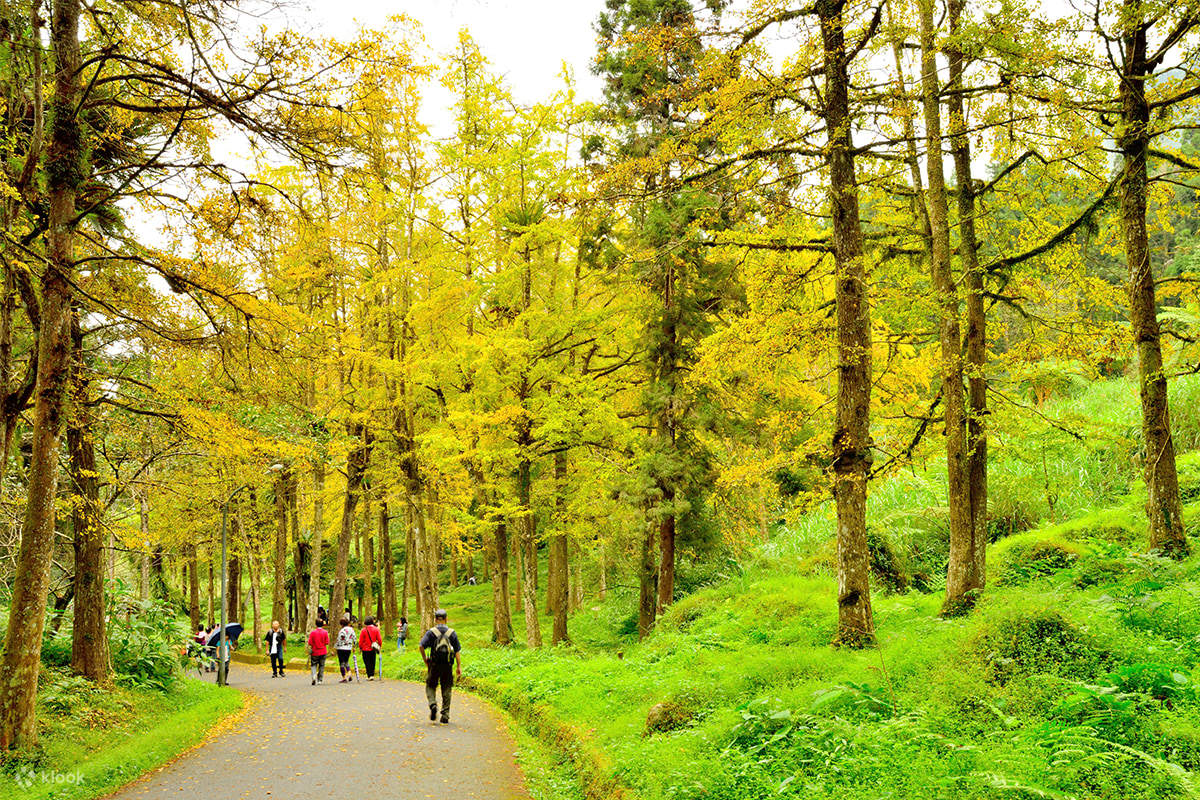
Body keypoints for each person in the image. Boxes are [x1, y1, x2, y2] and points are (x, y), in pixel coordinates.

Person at [419, 609, 461, 724]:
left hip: (434, 665)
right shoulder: (452, 633)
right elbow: (457, 651)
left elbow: (421, 646)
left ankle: (433, 704)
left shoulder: (431, 632)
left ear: (435, 619)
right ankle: (445, 715)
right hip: (448, 665)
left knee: (430, 685)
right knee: (447, 688)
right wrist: (458, 666)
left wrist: (425, 659)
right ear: (446, 619)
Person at [307, 618, 329, 685]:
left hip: (315, 652)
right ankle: (320, 680)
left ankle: (314, 676)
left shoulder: (313, 633)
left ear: (316, 624)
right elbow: (327, 642)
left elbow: (310, 642)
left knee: (313, 665)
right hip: (323, 651)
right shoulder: (325, 632)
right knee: (321, 666)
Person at [335, 616, 356, 682]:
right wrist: (354, 646)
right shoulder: (351, 629)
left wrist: (335, 648)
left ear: (341, 624)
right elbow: (354, 638)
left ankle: (344, 677)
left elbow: (339, 640)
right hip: (348, 648)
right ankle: (349, 674)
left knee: (342, 663)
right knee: (346, 661)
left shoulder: (342, 631)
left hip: (341, 648)